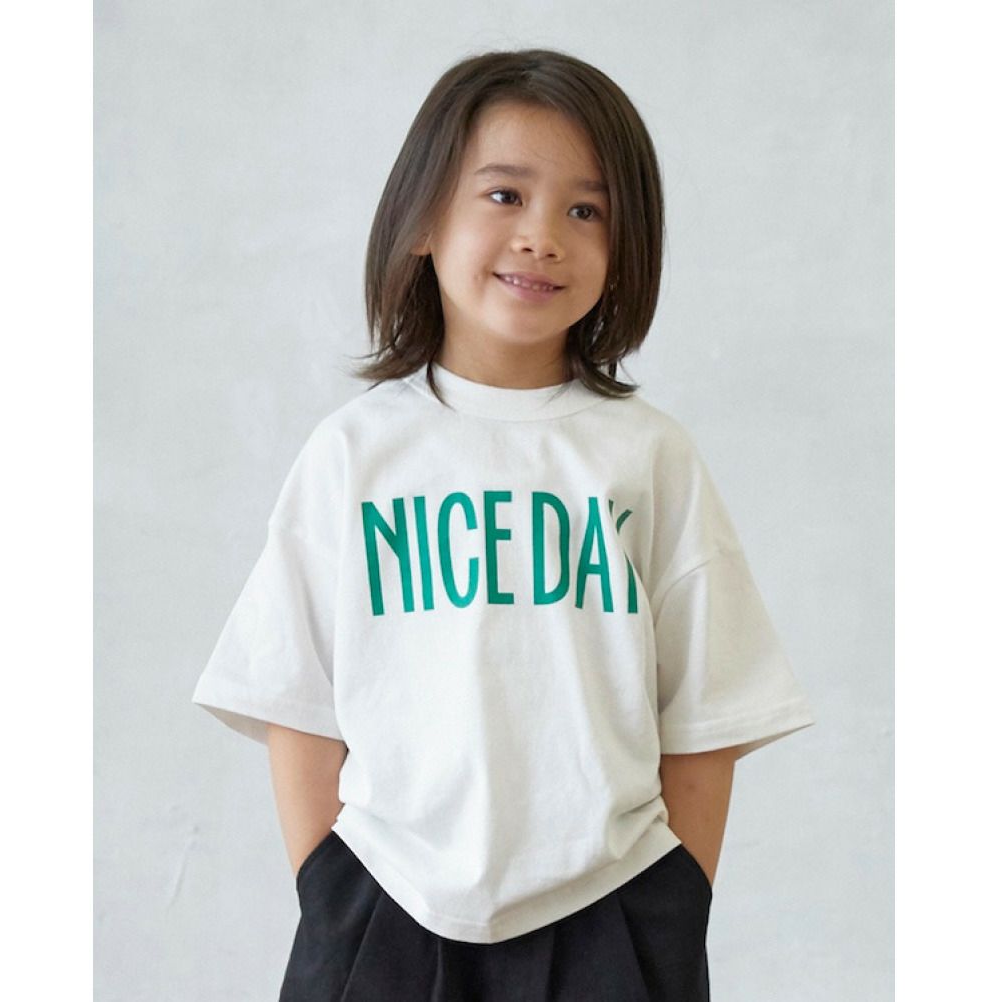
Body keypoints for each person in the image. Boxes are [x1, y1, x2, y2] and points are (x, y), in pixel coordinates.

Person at [192, 47, 816, 1001]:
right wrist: (333, 891)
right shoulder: (355, 453)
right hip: (385, 909)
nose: (542, 237)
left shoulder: (647, 456)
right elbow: (296, 697)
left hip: (610, 911)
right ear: (421, 220)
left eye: (586, 211)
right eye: (504, 195)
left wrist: (670, 908)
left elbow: (708, 713)